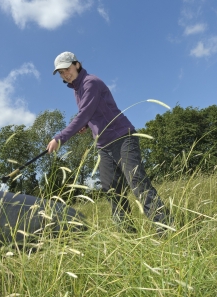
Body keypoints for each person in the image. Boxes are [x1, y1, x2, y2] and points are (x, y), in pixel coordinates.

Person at [46, 51, 170, 230]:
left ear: (77, 65)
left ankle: (165, 227)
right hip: (104, 146)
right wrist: (87, 125)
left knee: (137, 183)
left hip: (122, 137)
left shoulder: (90, 83)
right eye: (61, 72)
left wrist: (60, 138)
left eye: (67, 69)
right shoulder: (77, 90)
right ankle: (127, 234)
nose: (65, 74)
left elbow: (84, 113)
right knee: (112, 191)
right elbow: (92, 113)